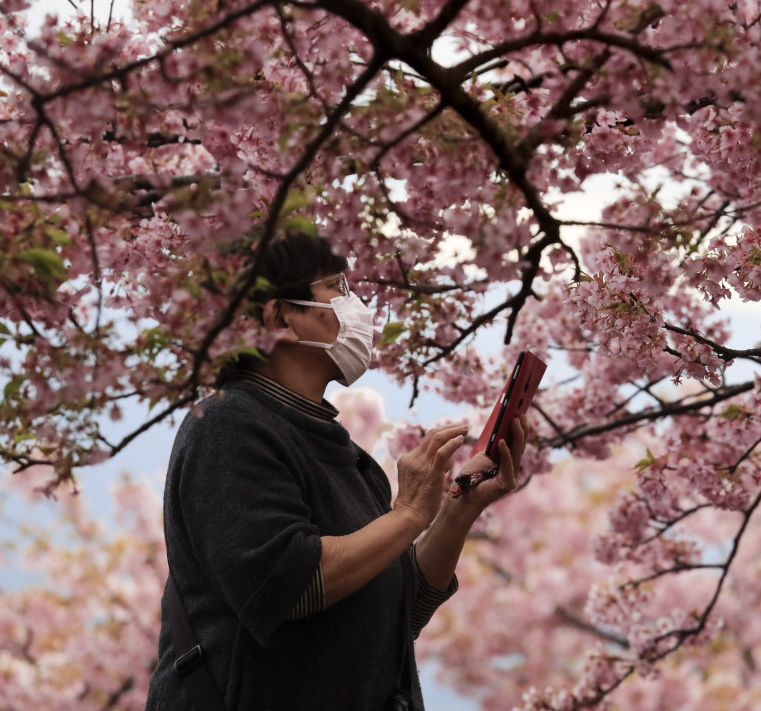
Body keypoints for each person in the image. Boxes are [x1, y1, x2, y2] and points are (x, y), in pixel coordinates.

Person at [145, 230, 523, 710]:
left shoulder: (346, 456)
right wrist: (407, 513)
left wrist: (457, 509)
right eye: (336, 289)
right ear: (281, 317)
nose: (357, 306)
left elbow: (394, 615)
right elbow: (288, 588)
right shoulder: (228, 424)